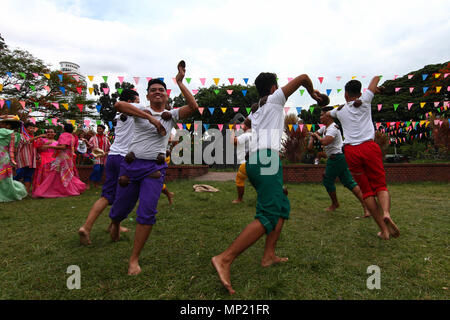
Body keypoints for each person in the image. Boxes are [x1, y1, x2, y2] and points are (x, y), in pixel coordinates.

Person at [211, 72, 322, 295]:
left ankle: (269, 255)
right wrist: (314, 94)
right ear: (273, 88)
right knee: (269, 213)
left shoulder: (258, 108)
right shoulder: (273, 100)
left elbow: (250, 122)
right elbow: (302, 77)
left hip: (256, 161)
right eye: (278, 87)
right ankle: (224, 259)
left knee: (281, 207)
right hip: (266, 159)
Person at [108, 61, 198, 275]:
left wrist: (179, 82)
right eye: (153, 91)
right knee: (121, 209)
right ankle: (115, 223)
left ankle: (134, 259)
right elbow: (119, 106)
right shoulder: (140, 109)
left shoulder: (172, 115)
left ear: (167, 95)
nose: (157, 93)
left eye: (161, 90)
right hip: (130, 167)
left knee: (147, 212)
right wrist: (150, 118)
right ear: (147, 96)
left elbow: (194, 107)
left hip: (154, 169)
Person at [78, 89, 165, 245]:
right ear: (131, 102)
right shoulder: (133, 111)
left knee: (107, 195)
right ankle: (114, 225)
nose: (139, 104)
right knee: (127, 195)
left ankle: (89, 226)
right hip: (126, 159)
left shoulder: (118, 117)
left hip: (112, 156)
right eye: (137, 101)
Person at [326, 77, 400, 240]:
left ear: (345, 94)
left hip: (351, 151)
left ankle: (383, 229)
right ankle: (386, 213)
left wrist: (341, 106)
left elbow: (327, 114)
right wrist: (375, 90)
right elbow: (375, 78)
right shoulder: (365, 100)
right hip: (369, 147)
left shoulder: (339, 111)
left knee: (367, 191)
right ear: (359, 93)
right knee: (380, 185)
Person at [309, 106, 370, 217]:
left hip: (336, 158)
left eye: (323, 114)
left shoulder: (333, 128)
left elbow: (325, 142)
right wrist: (312, 136)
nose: (320, 117)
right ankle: (367, 208)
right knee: (349, 182)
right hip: (338, 158)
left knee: (327, 181)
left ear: (329, 116)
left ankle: (335, 204)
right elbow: (314, 135)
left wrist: (316, 136)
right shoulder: (325, 128)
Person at [32, 123, 86, 198]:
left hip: (63, 157)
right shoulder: (73, 136)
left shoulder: (64, 135)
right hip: (69, 157)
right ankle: (74, 188)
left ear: (64, 129)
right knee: (66, 174)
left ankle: (46, 191)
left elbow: (63, 147)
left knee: (56, 174)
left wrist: (48, 146)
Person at [0, 115, 28, 202]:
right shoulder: (16, 135)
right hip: (5, 157)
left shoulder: (2, 131)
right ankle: (9, 193)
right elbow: (14, 150)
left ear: (8, 125)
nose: (1, 124)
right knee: (5, 178)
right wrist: (13, 161)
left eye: (3, 123)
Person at [13, 121, 45, 195]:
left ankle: (26, 193)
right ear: (25, 128)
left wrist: (38, 157)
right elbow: (26, 141)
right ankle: (14, 191)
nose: (32, 130)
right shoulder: (20, 136)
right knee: (18, 176)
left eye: (33, 128)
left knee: (28, 177)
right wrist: (39, 136)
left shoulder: (33, 137)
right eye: (30, 128)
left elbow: (35, 148)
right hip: (23, 160)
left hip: (32, 161)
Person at [231, 118, 252, 203]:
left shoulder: (246, 135)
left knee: (239, 179)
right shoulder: (257, 134)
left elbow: (233, 141)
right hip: (259, 161)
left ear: (246, 126)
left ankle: (240, 199)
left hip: (246, 163)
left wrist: (232, 131)